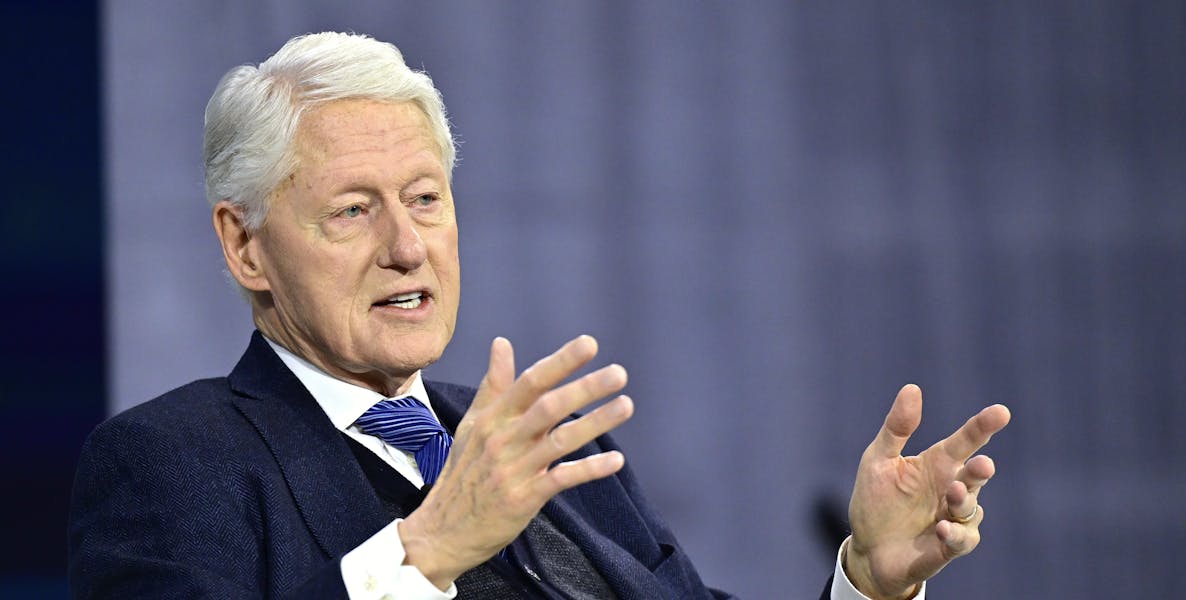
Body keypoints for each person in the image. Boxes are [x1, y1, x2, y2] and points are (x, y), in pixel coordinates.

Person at [68, 32, 1011, 599]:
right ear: (245, 246)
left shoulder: (546, 447)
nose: (407, 247)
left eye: (426, 199)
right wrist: (427, 551)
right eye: (353, 211)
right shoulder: (168, 464)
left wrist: (866, 582)